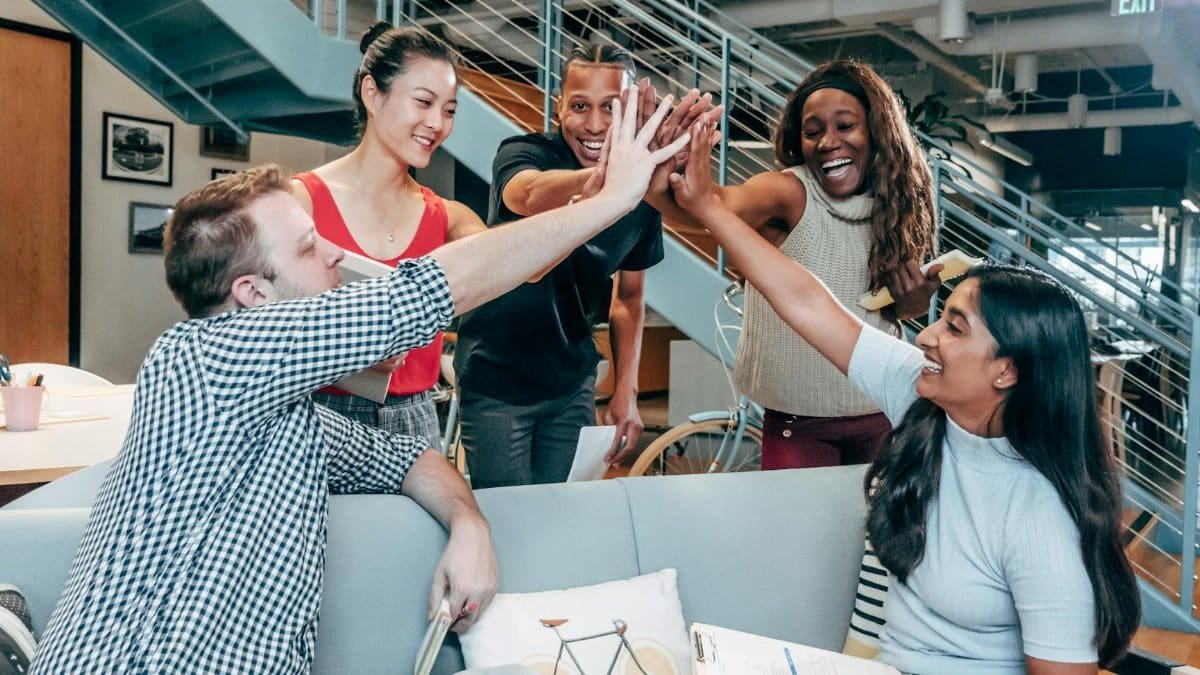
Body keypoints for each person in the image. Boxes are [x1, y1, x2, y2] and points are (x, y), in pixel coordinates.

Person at [30, 91, 689, 673]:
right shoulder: (206, 358)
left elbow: (407, 457)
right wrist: (613, 199)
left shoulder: (281, 412)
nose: (338, 257)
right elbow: (431, 289)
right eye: (311, 247)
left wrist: (470, 523)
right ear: (253, 293)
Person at [670, 115, 1140, 674]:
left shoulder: (1041, 518)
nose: (926, 335)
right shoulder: (922, 399)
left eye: (956, 328)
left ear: (1007, 372)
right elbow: (806, 301)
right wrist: (707, 208)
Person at [646, 59, 941, 470]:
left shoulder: (897, 207)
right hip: (798, 423)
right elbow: (710, 207)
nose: (827, 142)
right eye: (812, 131)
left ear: (877, 132)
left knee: (874, 534)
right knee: (794, 533)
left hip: (882, 411)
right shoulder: (789, 191)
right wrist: (662, 168)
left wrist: (915, 302)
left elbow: (893, 314)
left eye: (845, 126)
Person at [452, 44, 708, 488]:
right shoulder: (523, 152)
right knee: (507, 520)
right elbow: (527, 194)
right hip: (497, 380)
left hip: (570, 384)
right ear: (558, 108)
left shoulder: (642, 195)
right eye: (579, 106)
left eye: (611, 108)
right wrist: (608, 183)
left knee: (559, 516)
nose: (593, 125)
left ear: (631, 110)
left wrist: (626, 389)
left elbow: (629, 298)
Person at [291, 23, 486, 448]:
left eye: (449, 110)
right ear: (372, 93)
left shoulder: (448, 217)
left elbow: (517, 267)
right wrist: (352, 350)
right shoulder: (299, 203)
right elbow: (261, 327)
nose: (436, 123)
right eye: (423, 102)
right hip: (321, 419)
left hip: (418, 420)